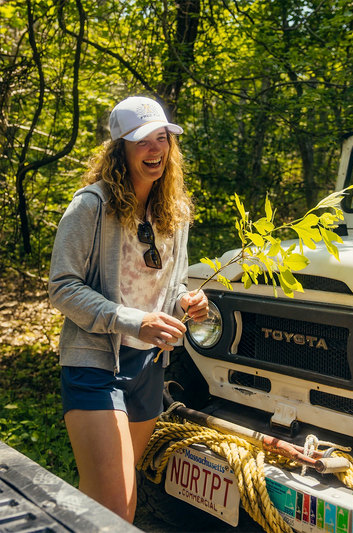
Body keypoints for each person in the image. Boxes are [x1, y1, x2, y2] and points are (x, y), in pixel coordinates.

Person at [48, 96, 209, 523]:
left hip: (148, 367)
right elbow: (61, 288)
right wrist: (134, 321)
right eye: (142, 141)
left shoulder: (175, 212)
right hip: (96, 364)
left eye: (162, 138)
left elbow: (172, 285)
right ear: (119, 148)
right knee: (116, 508)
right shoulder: (91, 206)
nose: (155, 150)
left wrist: (188, 302)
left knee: (110, 505)